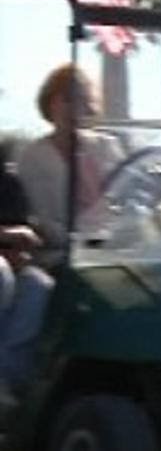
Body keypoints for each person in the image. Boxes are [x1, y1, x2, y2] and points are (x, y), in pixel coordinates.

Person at [17, 65, 123, 258]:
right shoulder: (33, 157)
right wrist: (84, 241)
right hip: (63, 253)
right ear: (51, 102)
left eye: (82, 100)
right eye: (67, 100)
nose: (74, 108)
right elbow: (42, 219)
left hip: (115, 248)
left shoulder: (106, 146)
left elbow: (124, 196)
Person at [1, 143, 55, 407]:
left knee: (38, 285)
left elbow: (25, 225)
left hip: (12, 263)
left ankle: (10, 377)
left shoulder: (8, 183)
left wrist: (23, 244)